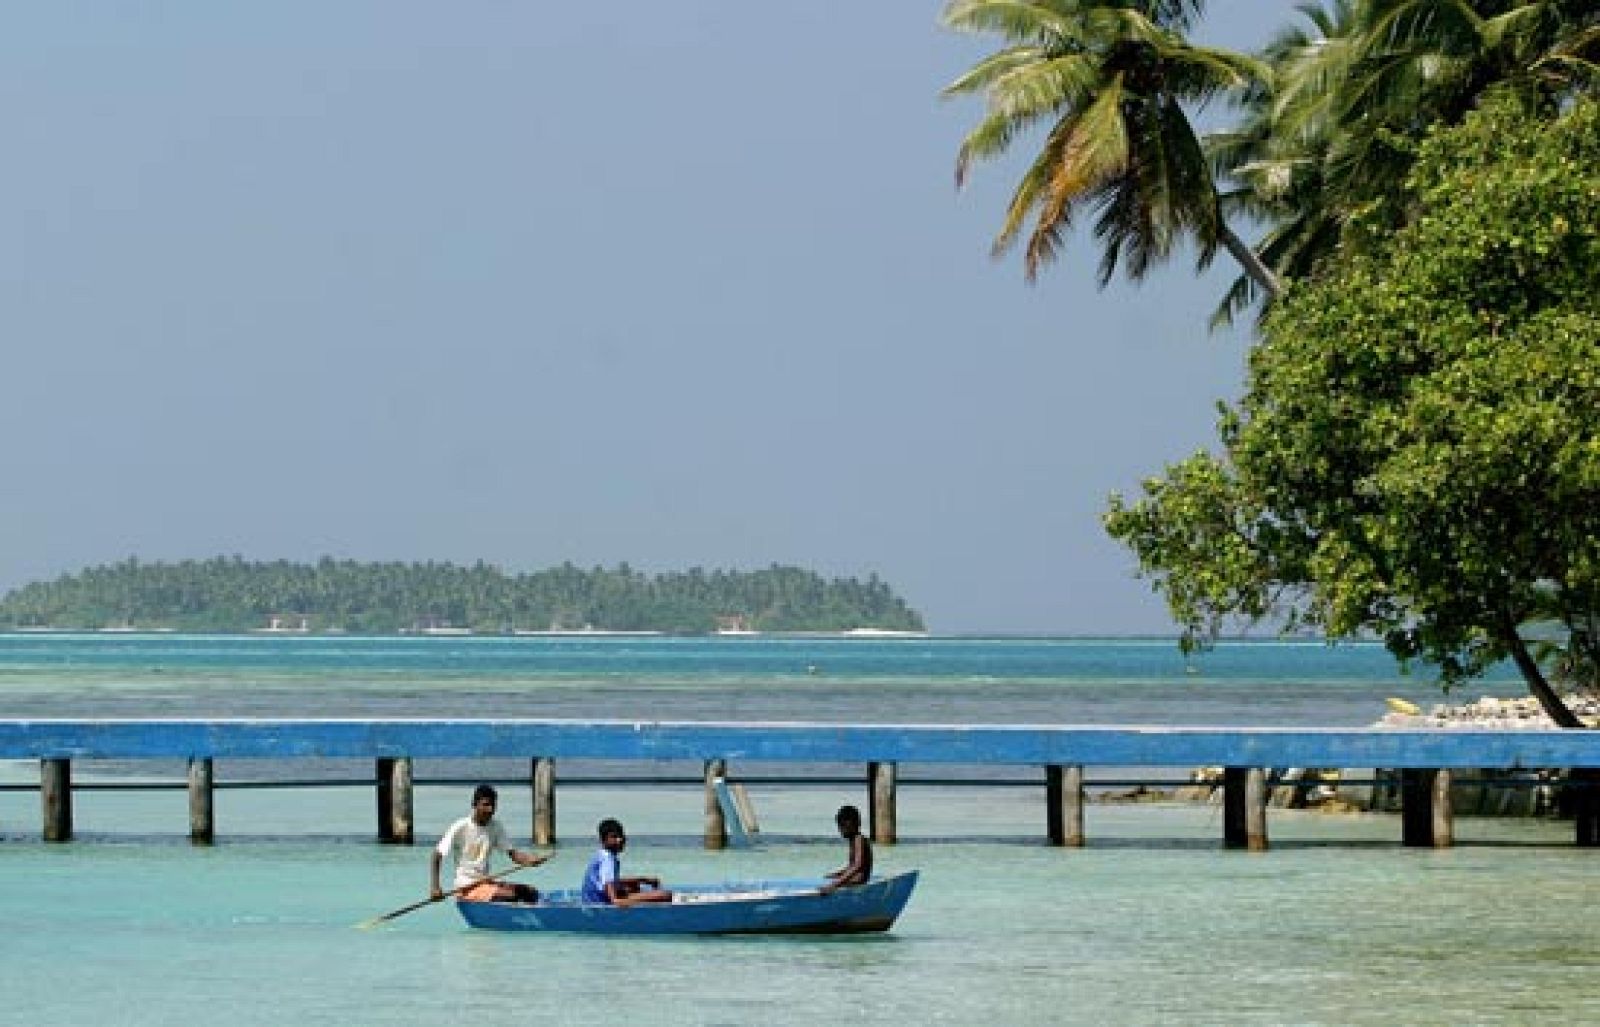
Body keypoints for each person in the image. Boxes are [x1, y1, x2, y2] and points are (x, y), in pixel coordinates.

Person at [430, 784, 548, 903]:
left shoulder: (496, 826)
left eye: (493, 805)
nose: (490, 809)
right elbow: (437, 854)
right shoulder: (460, 826)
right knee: (510, 896)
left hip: (485, 882)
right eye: (486, 805)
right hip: (466, 886)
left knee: (531, 892)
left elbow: (513, 855)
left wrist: (530, 860)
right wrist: (435, 887)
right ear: (474, 804)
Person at [581, 817, 673, 906]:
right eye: (614, 837)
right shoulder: (607, 859)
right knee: (665, 895)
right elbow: (609, 887)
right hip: (600, 902)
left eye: (621, 836)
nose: (620, 840)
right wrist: (619, 901)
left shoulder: (602, 855)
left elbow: (610, 881)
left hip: (594, 899)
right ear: (603, 840)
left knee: (634, 886)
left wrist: (643, 880)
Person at [819, 804, 872, 894]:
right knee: (826, 880)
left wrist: (835, 884)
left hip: (857, 883)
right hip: (852, 881)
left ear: (853, 824)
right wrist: (838, 874)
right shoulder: (853, 840)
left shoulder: (858, 839)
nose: (840, 830)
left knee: (823, 888)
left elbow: (857, 865)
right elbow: (853, 866)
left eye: (843, 826)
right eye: (839, 826)